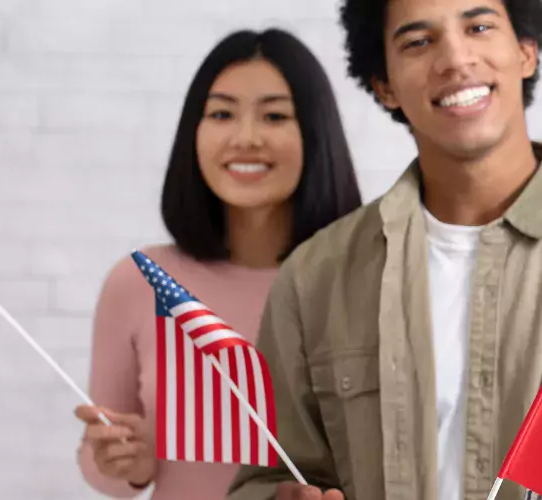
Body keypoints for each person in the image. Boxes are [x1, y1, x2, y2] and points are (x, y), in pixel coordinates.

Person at [228, 0, 542, 499]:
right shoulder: (315, 277)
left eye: (479, 26)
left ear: (525, 52)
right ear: (384, 85)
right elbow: (266, 476)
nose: (454, 58)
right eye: (418, 42)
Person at [73, 29, 364, 500]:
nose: (245, 138)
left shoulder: (364, 278)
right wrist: (125, 461)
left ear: (315, 133)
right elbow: (99, 465)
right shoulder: (141, 281)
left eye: (274, 115)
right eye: (222, 114)